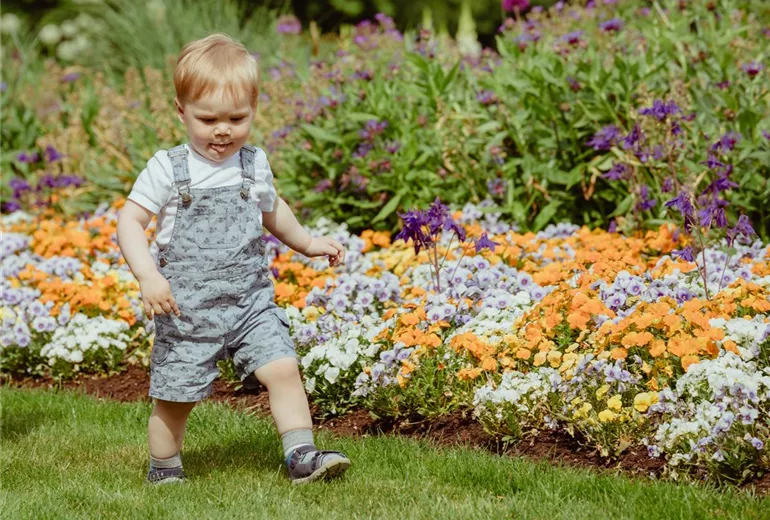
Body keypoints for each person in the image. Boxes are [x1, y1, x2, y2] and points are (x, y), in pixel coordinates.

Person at [116, 33, 350, 486]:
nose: (222, 130)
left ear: (253, 111)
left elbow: (272, 210)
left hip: (249, 301)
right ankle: (164, 469)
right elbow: (130, 222)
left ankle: (301, 454)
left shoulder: (253, 163)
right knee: (175, 397)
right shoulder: (168, 168)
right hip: (186, 310)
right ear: (181, 112)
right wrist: (147, 275)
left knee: (282, 366)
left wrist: (306, 241)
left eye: (236, 118)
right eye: (208, 119)